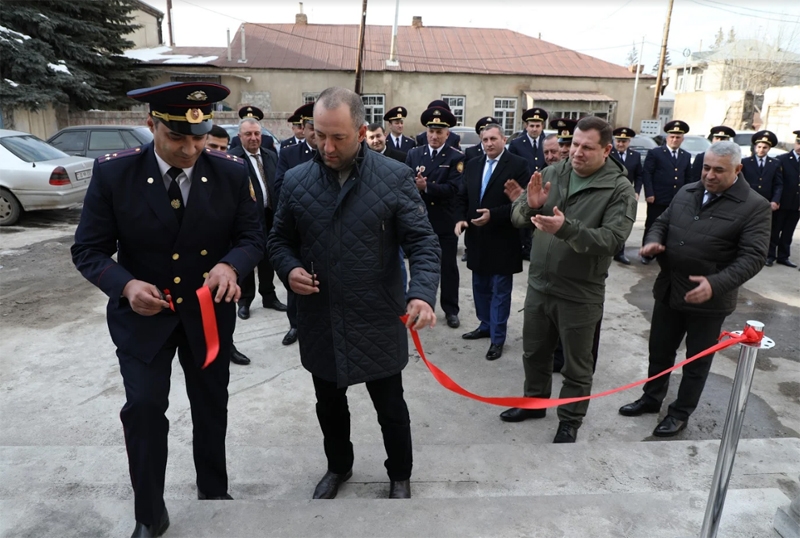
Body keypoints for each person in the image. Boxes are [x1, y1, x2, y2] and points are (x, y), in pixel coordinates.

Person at [71, 82, 264, 537]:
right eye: (177, 137)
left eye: (199, 138)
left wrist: (230, 265)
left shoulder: (230, 173)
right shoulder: (115, 174)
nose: (190, 149)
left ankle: (213, 492)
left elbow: (252, 237)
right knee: (143, 409)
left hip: (207, 315)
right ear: (151, 124)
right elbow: (88, 250)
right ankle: (149, 513)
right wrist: (125, 284)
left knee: (211, 406)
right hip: (143, 318)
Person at [268, 86, 441, 500]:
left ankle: (400, 474)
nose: (327, 147)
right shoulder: (296, 181)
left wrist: (420, 293)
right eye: (319, 135)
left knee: (391, 408)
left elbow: (423, 242)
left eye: (338, 137)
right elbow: (278, 240)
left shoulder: (394, 177)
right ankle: (338, 467)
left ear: (362, 133)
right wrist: (289, 269)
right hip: (321, 318)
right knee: (329, 406)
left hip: (377, 315)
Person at [619, 141, 771, 436]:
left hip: (709, 300)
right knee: (660, 351)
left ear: (738, 170)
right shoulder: (687, 191)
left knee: (696, 362)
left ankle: (680, 413)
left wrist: (715, 283)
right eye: (706, 167)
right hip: (669, 288)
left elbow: (753, 258)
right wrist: (653, 241)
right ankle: (651, 398)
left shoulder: (755, 206)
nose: (709, 175)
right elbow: (661, 223)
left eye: (719, 170)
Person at [500, 116, 636, 444]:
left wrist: (566, 229)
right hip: (540, 285)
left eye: (587, 147)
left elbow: (612, 240)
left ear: (606, 150)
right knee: (534, 353)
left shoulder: (619, 189)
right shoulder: (552, 173)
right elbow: (517, 216)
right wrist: (530, 206)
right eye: (574, 144)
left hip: (580, 291)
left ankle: (570, 419)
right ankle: (535, 403)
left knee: (577, 364)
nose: (576, 152)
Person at [455, 123, 530, 361]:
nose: (488, 144)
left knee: (500, 290)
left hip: (503, 239)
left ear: (504, 139)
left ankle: (497, 338)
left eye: (493, 139)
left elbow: (523, 204)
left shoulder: (518, 165)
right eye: (485, 139)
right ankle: (485, 325)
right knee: (480, 287)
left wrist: (493, 215)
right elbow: (463, 195)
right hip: (477, 238)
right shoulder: (473, 164)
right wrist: (461, 218)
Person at [405, 105, 466, 329]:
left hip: (443, 220)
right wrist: (415, 187)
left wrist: (427, 187)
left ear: (447, 134)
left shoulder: (456, 157)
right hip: (419, 220)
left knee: (447, 267)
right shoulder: (414, 154)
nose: (434, 136)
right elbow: (404, 183)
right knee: (418, 265)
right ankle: (418, 307)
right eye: (431, 131)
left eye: (439, 132)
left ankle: (451, 310)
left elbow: (455, 189)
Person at [204, 125, 255, 366]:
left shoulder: (232, 174)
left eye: (223, 148)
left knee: (223, 314)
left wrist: (233, 263)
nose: (218, 152)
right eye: (212, 146)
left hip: (224, 259)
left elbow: (248, 230)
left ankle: (228, 344)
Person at [229, 117, 288, 319]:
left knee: (268, 258)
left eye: (257, 134)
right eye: (248, 134)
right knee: (247, 258)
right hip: (248, 219)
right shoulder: (233, 159)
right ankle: (245, 301)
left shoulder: (271, 155)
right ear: (240, 137)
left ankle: (269, 296)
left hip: (270, 215)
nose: (254, 138)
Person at [274, 102, 317, 346]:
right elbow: (279, 188)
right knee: (296, 276)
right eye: (311, 128)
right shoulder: (290, 153)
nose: (315, 133)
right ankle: (295, 324)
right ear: (303, 128)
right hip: (299, 226)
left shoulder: (334, 153)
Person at [641, 120, 692, 264]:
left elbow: (688, 177)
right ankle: (647, 253)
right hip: (658, 198)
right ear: (667, 137)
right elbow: (647, 174)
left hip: (676, 199)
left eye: (678, 137)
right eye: (672, 137)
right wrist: (649, 193)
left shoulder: (685, 155)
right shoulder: (656, 153)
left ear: (682, 139)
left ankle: (664, 253)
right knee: (652, 225)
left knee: (673, 227)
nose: (674, 140)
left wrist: (688, 196)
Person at [609, 126, 644, 265]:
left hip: (627, 196)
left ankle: (620, 252)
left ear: (629, 142)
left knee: (624, 223)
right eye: (618, 140)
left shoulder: (635, 156)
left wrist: (636, 191)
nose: (620, 144)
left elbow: (639, 175)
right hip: (610, 194)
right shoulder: (608, 154)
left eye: (624, 141)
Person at [741, 130, 783, 240]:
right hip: (748, 200)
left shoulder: (775, 163)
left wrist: (775, 201)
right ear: (755, 147)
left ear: (769, 149)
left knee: (763, 229)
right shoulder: (745, 162)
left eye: (765, 147)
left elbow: (778, 184)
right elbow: (740, 181)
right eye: (759, 147)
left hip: (766, 202)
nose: (761, 150)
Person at [772, 130, 800, 268]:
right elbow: (777, 182)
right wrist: (776, 200)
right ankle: (770, 255)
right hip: (782, 201)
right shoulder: (782, 159)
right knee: (775, 230)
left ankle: (783, 256)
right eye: (799, 142)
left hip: (797, 203)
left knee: (788, 231)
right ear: (795, 143)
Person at [509, 107, 548, 173]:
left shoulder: (546, 143)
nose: (534, 129)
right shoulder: (516, 144)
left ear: (542, 127)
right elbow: (511, 166)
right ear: (526, 126)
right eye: (532, 126)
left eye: (537, 126)